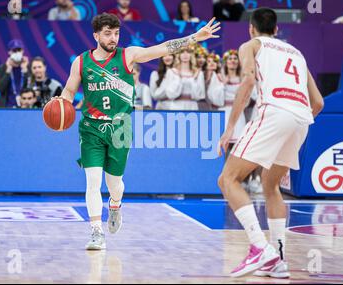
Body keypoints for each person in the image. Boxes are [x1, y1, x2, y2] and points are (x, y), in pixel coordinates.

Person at [54, 13, 220, 250]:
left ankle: (115, 205)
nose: (113, 38)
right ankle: (96, 231)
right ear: (96, 35)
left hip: (120, 127)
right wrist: (62, 103)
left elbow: (163, 48)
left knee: (115, 184)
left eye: (116, 33)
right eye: (108, 33)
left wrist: (195, 37)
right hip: (91, 128)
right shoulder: (81, 62)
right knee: (92, 182)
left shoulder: (128, 55)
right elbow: (69, 91)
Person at [217, 8, 324, 278]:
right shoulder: (297, 54)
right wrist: (293, 120)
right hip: (301, 119)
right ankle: (277, 259)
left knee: (227, 180)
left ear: (251, 28)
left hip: (274, 111)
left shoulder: (250, 45)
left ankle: (259, 248)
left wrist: (230, 127)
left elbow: (249, 80)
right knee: (270, 184)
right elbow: (319, 102)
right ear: (277, 29)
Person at [0, 39, 29, 107]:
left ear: (23, 51)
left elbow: (30, 87)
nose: (17, 53)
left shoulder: (28, 67)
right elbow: (0, 89)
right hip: (6, 107)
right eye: (14, 51)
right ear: (9, 52)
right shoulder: (2, 68)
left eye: (19, 50)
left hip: (25, 107)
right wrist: (8, 71)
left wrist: (25, 70)